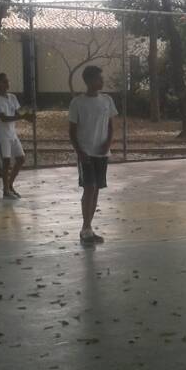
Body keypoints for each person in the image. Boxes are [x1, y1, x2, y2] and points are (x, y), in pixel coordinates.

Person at [68, 65, 117, 245]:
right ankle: (85, 228)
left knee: (96, 189)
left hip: (102, 153)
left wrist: (107, 144)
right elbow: (72, 131)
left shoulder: (107, 100)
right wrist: (79, 151)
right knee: (89, 187)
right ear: (89, 81)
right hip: (86, 153)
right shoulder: (77, 103)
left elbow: (111, 126)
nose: (102, 81)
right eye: (99, 78)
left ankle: (88, 228)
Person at [0, 72, 32, 199]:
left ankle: (9, 185)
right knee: (6, 162)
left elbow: (18, 112)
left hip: (12, 133)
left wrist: (27, 116)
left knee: (21, 158)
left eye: (8, 81)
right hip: (2, 134)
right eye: (4, 81)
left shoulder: (12, 97)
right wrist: (22, 117)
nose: (7, 83)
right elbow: (3, 118)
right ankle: (5, 190)